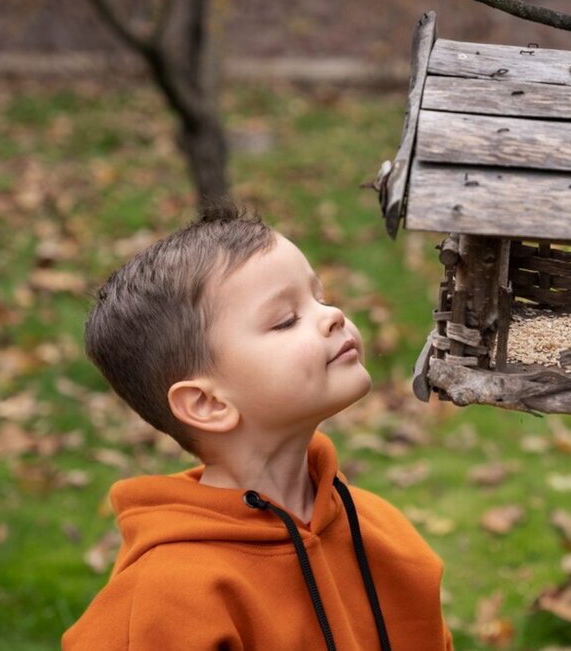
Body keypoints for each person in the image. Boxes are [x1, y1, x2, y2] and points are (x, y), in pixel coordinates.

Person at [64, 207, 452, 650]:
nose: (333, 315)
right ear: (207, 403)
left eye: (320, 298)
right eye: (285, 320)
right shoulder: (172, 596)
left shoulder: (382, 532)